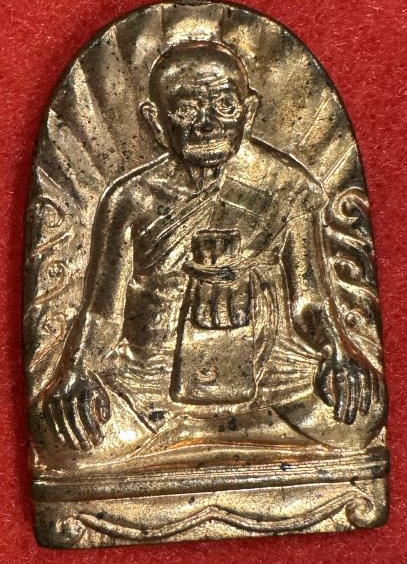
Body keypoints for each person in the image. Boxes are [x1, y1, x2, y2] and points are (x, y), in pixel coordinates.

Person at [42, 40, 385, 455]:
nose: (207, 125)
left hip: (267, 377)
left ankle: (185, 441)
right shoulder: (131, 199)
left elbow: (308, 300)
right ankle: (225, 440)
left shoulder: (287, 187)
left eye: (224, 105)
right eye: (187, 110)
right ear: (156, 121)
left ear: (248, 112)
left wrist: (336, 350)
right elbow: (102, 313)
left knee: (360, 416)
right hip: (150, 380)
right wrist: (77, 369)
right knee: (58, 436)